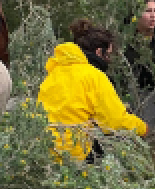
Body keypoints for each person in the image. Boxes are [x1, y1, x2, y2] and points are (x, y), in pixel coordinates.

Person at [38, 19, 148, 160]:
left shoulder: (54, 73)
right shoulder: (94, 76)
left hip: (45, 151)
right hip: (75, 155)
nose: (108, 60)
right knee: (117, 141)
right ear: (99, 52)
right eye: (108, 55)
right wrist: (143, 128)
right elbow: (115, 122)